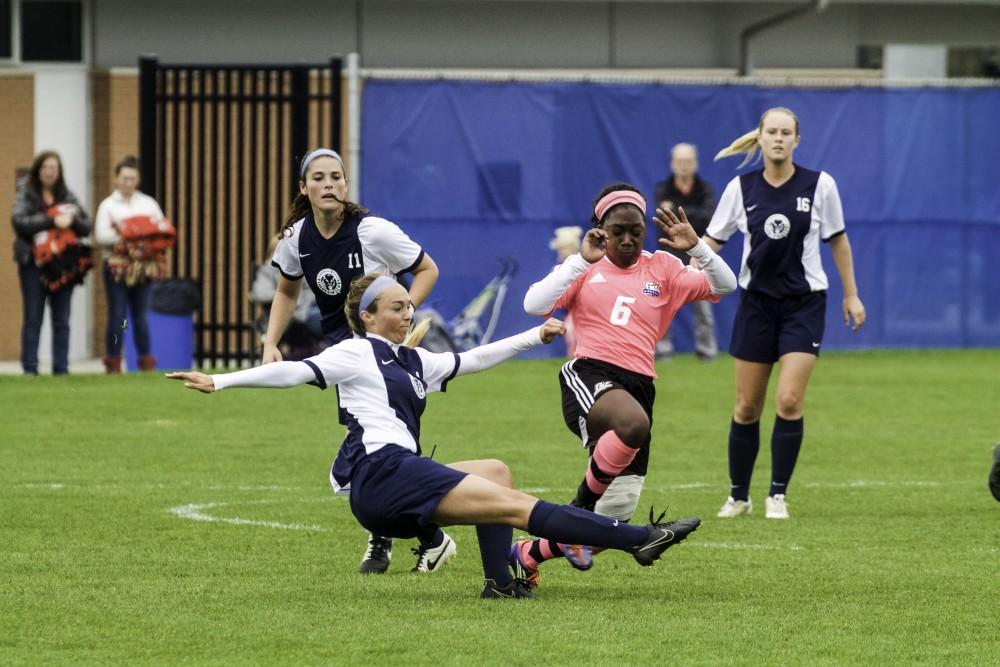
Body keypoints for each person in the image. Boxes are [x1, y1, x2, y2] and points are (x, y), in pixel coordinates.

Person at [168, 274, 702, 599]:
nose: (408, 312)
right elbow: (293, 371)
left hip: (398, 478)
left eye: (407, 304)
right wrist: (220, 380)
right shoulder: (353, 352)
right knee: (515, 504)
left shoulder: (413, 359)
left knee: (495, 471)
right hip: (382, 477)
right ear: (367, 315)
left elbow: (471, 359)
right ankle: (638, 541)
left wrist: (533, 336)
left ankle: (499, 581)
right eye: (397, 306)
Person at [518, 183, 736, 581]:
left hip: (639, 388)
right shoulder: (585, 265)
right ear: (600, 228)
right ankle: (580, 505)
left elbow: (725, 285)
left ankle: (527, 554)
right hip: (589, 374)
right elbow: (533, 304)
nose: (627, 238)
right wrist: (579, 262)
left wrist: (697, 248)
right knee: (632, 425)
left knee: (613, 520)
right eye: (617, 230)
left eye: (635, 230)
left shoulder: (664, 268)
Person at [265, 148, 441, 575]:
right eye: (319, 178)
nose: (329, 185)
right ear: (303, 188)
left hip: (384, 352)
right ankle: (423, 534)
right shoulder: (295, 240)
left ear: (346, 185)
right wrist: (272, 342)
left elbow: (428, 269)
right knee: (378, 441)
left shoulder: (373, 232)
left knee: (374, 442)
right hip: (346, 355)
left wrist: (404, 315)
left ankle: (402, 538)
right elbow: (287, 292)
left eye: (337, 177)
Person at [705, 107, 866, 520]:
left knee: (790, 400)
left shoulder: (819, 185)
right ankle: (738, 496)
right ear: (759, 138)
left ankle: (777, 495)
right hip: (756, 304)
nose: (778, 138)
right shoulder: (740, 189)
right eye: (771, 132)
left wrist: (852, 295)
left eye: (786, 132)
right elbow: (711, 243)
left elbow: (839, 242)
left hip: (803, 304)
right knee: (746, 409)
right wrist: (677, 279)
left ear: (798, 139)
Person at [11, 150, 92, 376]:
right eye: (46, 167)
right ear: (38, 170)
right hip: (33, 264)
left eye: (54, 168)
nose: (50, 172)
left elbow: (86, 225)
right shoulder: (27, 194)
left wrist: (72, 220)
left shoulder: (67, 195)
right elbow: (19, 222)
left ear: (59, 172)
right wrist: (52, 220)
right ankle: (30, 369)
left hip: (63, 265)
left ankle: (61, 369)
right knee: (33, 317)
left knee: (62, 319)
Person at [94, 156, 169, 373]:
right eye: (125, 178)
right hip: (116, 269)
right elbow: (101, 236)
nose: (129, 182)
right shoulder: (107, 205)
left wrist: (126, 232)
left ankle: (146, 363)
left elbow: (162, 229)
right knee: (117, 315)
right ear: (117, 179)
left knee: (141, 316)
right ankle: (114, 363)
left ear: (137, 180)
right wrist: (136, 234)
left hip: (144, 269)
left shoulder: (148, 203)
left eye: (132, 178)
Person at [653, 143, 719, 361]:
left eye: (688, 161)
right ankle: (662, 351)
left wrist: (677, 212)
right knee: (661, 306)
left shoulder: (705, 189)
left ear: (695, 163)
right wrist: (690, 217)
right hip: (669, 255)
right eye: (679, 161)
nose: (683, 166)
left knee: (703, 309)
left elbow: (708, 217)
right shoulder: (662, 189)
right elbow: (663, 219)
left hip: (698, 255)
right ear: (672, 164)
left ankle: (707, 352)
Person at [250, 235, 323, 360]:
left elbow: (314, 291)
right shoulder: (267, 270)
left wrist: (297, 299)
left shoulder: (303, 266)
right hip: (282, 315)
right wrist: (287, 297)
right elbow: (260, 293)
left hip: (306, 312)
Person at [548, 226, 583, 356]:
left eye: (563, 248)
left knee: (575, 337)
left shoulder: (581, 264)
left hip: (581, 311)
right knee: (571, 338)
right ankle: (573, 368)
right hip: (570, 312)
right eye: (560, 249)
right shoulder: (559, 267)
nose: (560, 252)